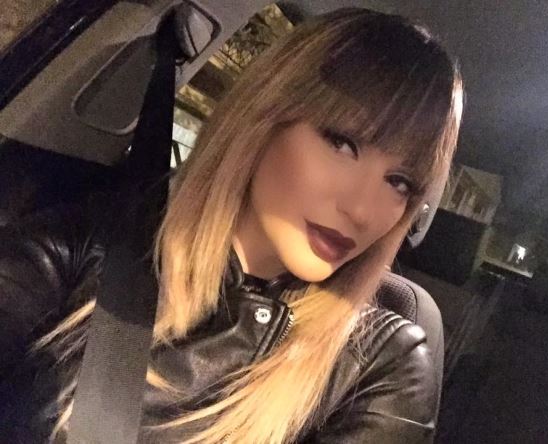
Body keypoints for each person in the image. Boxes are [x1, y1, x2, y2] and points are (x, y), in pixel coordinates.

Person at [0, 7, 463, 443]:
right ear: (264, 119)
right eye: (343, 143)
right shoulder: (84, 248)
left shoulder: (380, 363)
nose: (363, 210)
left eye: (400, 182)